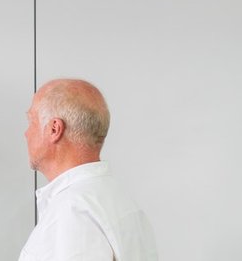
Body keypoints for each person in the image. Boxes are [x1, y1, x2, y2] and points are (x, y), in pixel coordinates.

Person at [19, 79, 157, 261]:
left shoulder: (72, 212)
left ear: (54, 129)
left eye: (32, 121)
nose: (26, 133)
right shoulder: (119, 200)